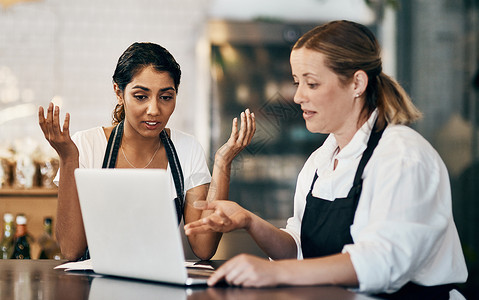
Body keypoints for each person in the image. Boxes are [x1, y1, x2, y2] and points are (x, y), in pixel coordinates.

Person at [184, 20, 468, 299]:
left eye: (312, 83)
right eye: (297, 82)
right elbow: (299, 251)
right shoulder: (320, 161)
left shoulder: (402, 157)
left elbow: (382, 263)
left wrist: (276, 274)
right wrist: (249, 221)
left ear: (357, 83)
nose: (297, 96)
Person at [38, 42, 255, 262]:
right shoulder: (86, 145)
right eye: (141, 96)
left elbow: (204, 247)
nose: (154, 110)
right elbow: (70, 249)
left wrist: (222, 162)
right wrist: (67, 158)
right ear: (119, 92)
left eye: (166, 97)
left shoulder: (187, 149)